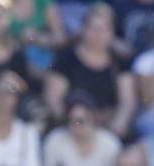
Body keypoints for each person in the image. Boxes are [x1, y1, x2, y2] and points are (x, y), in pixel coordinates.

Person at [43, 3, 137, 137]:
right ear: (83, 29)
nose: (98, 34)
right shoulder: (66, 59)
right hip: (71, 129)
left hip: (108, 130)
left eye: (104, 29)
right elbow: (53, 100)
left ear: (112, 32)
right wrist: (74, 127)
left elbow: (127, 103)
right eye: (93, 28)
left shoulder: (120, 63)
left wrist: (115, 131)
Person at [42, 93, 123, 166]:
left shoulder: (110, 143)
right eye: (73, 121)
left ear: (93, 118)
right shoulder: (55, 140)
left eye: (82, 120)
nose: (78, 126)